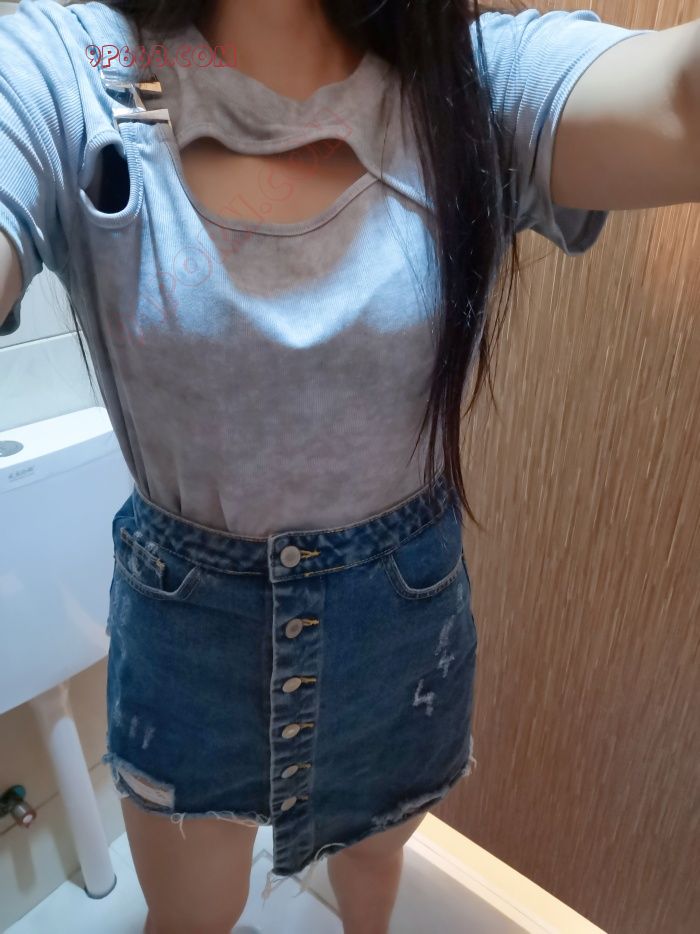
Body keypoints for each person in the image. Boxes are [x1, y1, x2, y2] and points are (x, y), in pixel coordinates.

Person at [1, 1, 695, 932]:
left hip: (398, 628)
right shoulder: (72, 64)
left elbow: (679, 101)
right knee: (192, 914)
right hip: (187, 638)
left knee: (374, 861)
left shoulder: (478, 76)